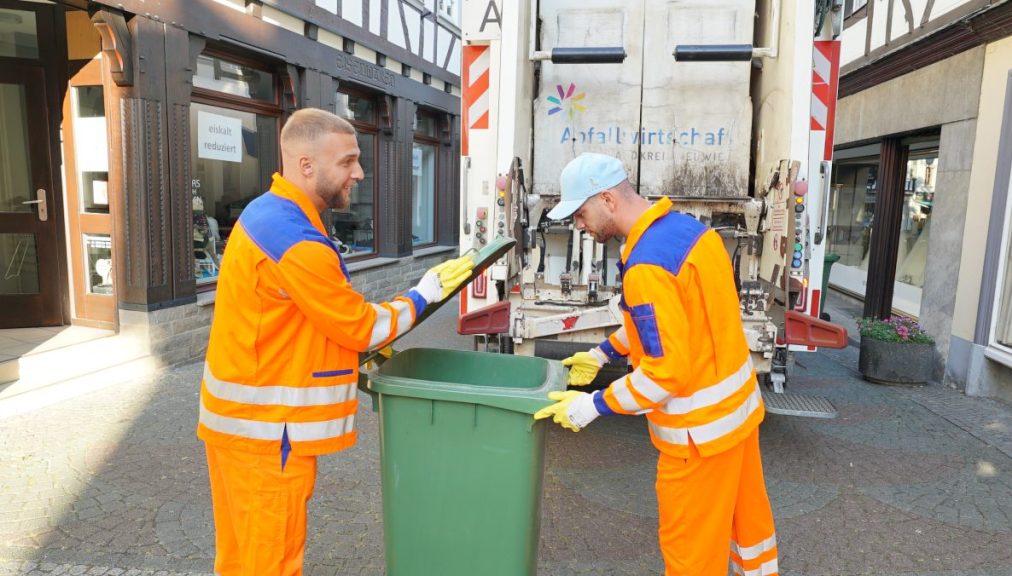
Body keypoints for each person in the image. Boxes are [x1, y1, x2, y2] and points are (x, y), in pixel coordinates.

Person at [197, 108, 472, 576]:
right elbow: (360, 327)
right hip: (269, 436)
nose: (359, 173)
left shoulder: (268, 213)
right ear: (306, 166)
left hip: (244, 428)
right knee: (270, 564)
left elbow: (305, 318)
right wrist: (425, 294)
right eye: (347, 161)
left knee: (242, 561)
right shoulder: (296, 239)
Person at [533, 153, 777, 575]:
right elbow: (675, 327)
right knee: (748, 537)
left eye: (580, 213)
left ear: (607, 199)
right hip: (737, 421)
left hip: (695, 442)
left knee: (690, 558)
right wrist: (602, 352)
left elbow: (667, 372)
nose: (578, 225)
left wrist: (593, 405)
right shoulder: (688, 232)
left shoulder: (646, 266)